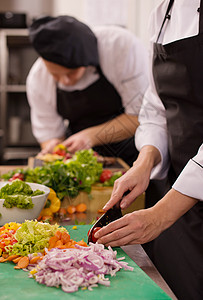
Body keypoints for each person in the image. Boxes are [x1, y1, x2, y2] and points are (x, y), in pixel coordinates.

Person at [95, 1, 203, 299]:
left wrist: (160, 216)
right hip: (175, 187)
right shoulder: (162, 11)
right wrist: (144, 162)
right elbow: (157, 109)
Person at [26, 15, 149, 167]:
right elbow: (50, 135)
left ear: (87, 59)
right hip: (79, 159)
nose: (65, 81)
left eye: (71, 73)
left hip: (132, 153)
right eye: (55, 75)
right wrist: (54, 146)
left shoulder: (120, 47)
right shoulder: (38, 79)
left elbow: (140, 116)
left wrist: (90, 136)